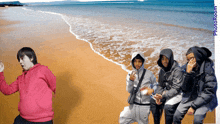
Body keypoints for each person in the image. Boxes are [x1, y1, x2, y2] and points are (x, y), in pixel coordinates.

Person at [0, 47, 56, 124]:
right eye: (19, 60)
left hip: (42, 120)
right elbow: (7, 90)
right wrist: (0, 72)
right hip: (23, 119)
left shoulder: (42, 70)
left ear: (31, 58)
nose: (20, 62)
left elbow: (55, 86)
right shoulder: (20, 78)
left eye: (22, 58)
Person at [173, 46, 218, 124]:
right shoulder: (186, 67)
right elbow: (184, 89)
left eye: (192, 58)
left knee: (197, 120)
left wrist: (193, 106)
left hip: (204, 99)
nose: (190, 61)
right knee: (176, 116)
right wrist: (188, 73)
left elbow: (209, 91)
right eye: (188, 59)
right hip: (190, 97)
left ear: (198, 57)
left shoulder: (208, 68)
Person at [119, 52, 157, 124]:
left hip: (145, 106)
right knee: (123, 118)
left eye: (139, 61)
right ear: (132, 62)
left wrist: (152, 90)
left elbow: (156, 85)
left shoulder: (149, 73)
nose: (137, 64)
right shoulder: (130, 74)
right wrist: (131, 81)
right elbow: (129, 90)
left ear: (143, 62)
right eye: (135, 61)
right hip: (133, 105)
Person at [153, 48, 183, 124]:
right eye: (162, 59)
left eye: (167, 58)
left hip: (178, 93)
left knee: (168, 107)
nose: (164, 61)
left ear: (171, 58)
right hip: (167, 92)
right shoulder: (162, 70)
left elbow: (176, 89)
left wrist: (163, 95)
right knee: (154, 102)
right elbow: (160, 85)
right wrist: (159, 95)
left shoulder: (177, 70)